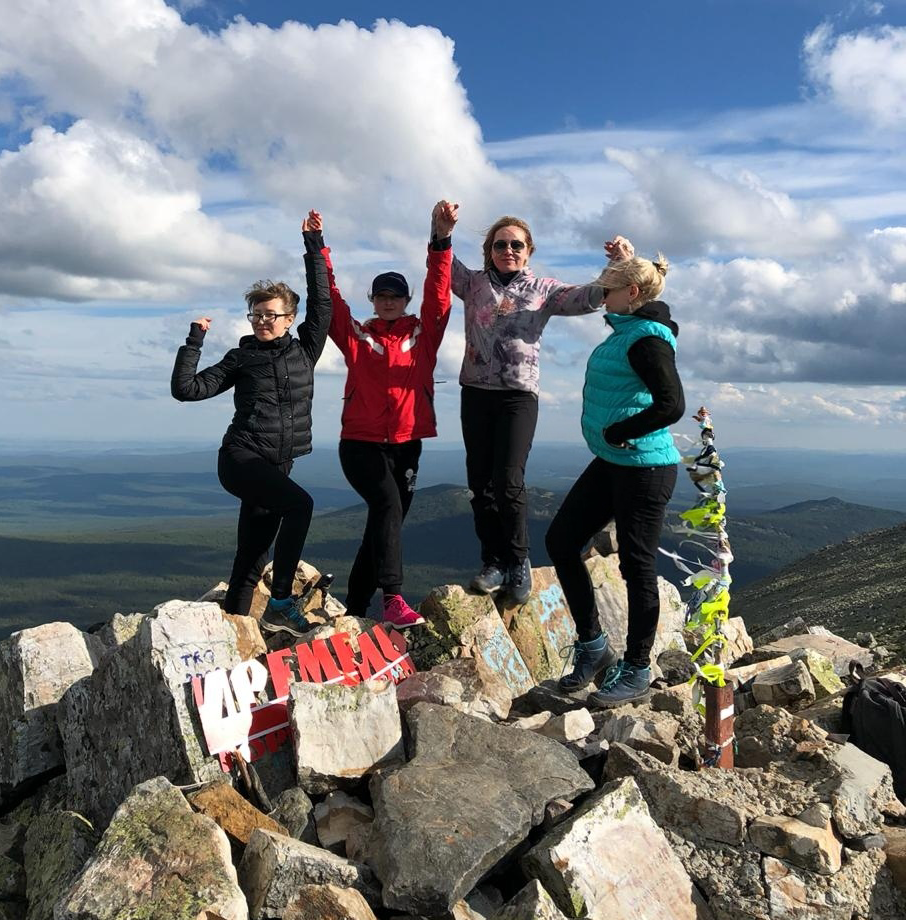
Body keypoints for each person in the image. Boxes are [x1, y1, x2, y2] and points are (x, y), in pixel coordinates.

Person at [452, 218, 633, 604]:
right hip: (475, 393)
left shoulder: (542, 290)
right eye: (500, 245)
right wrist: (440, 230)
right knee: (480, 484)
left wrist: (619, 266)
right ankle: (493, 561)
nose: (508, 251)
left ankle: (518, 561)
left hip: (518, 396)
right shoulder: (473, 284)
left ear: (528, 251)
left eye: (516, 245)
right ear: (490, 251)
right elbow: (439, 264)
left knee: (508, 481)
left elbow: (589, 296)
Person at [303, 202, 458, 627]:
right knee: (387, 505)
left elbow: (439, 293)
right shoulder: (357, 337)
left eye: (396, 296)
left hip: (407, 445)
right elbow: (329, 299)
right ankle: (393, 597)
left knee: (382, 524)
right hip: (360, 444)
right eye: (381, 296)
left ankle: (354, 608)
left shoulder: (425, 334)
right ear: (373, 300)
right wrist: (316, 247)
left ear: (406, 301)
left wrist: (440, 240)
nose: (388, 302)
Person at [170, 229, 331, 637]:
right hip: (240, 459)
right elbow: (186, 390)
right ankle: (279, 603)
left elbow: (322, 299)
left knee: (252, 558)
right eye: (256, 315)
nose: (261, 321)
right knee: (301, 506)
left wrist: (315, 245)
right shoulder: (241, 358)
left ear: (289, 319)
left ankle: (234, 630)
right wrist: (194, 339)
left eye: (269, 315)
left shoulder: (305, 349)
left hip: (278, 464)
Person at [546, 249, 685, 707]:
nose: (601, 295)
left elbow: (671, 405)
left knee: (637, 567)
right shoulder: (628, 330)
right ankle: (593, 645)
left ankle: (638, 667)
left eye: (608, 288)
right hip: (614, 462)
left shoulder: (648, 339)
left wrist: (618, 432)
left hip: (644, 469)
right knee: (561, 541)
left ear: (633, 293)